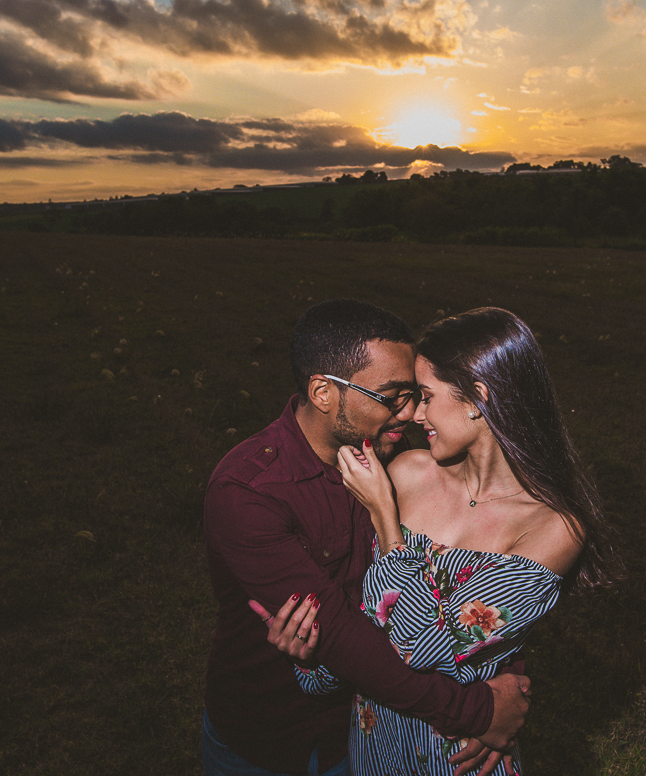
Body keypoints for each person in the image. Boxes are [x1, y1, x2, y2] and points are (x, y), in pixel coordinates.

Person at [258, 307, 619, 776]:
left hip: (454, 756)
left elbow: (418, 645)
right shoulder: (408, 472)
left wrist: (387, 523)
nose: (412, 415)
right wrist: (314, 657)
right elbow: (358, 613)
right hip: (373, 746)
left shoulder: (551, 528)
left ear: (477, 398)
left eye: (425, 397)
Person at [202, 300, 532, 776]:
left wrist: (506, 676)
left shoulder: (405, 462)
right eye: (393, 395)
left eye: (416, 394)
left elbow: (473, 574)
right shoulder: (248, 493)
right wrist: (479, 713)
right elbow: (340, 636)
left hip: (367, 734)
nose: (412, 412)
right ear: (323, 392)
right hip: (266, 737)